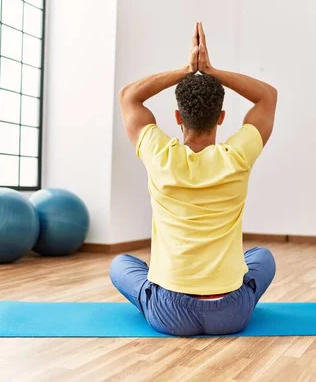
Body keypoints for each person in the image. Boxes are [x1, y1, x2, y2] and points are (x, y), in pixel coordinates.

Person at [110, 22, 278, 336]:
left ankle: (157, 288)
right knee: (262, 258)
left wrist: (186, 68)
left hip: (170, 312)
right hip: (231, 312)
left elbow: (129, 96)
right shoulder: (237, 156)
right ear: (222, 118)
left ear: (177, 117)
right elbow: (267, 97)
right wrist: (211, 70)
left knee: (120, 264)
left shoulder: (160, 156)